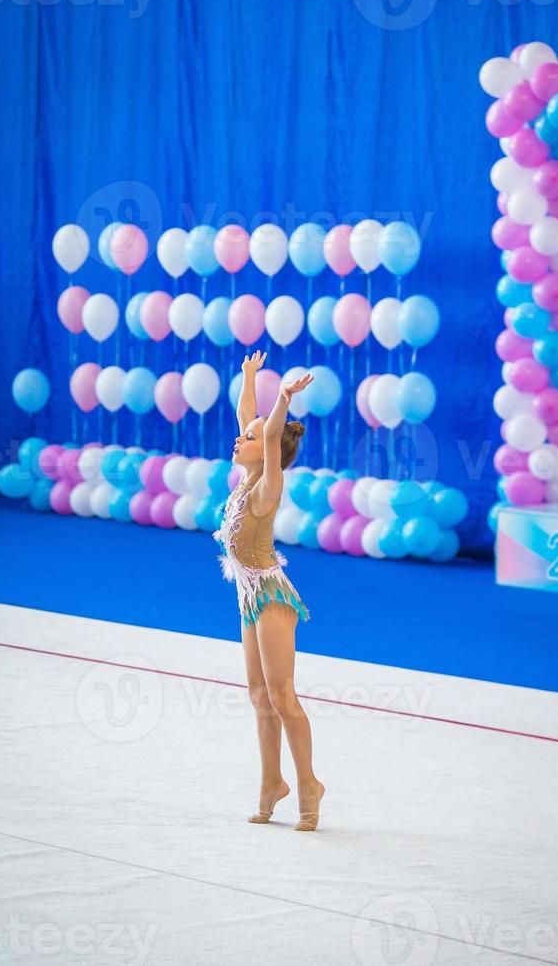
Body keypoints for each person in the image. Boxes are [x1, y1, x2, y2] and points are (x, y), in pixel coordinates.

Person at [213, 350, 326, 831]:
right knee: (258, 696)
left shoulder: (265, 489)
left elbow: (271, 434)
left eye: (251, 439)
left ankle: (308, 784)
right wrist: (249, 377)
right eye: (243, 435)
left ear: (270, 451)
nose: (240, 438)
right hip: (247, 597)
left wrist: (280, 399)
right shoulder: (244, 479)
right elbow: (247, 417)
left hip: (272, 598)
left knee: (282, 695)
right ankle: (270, 782)